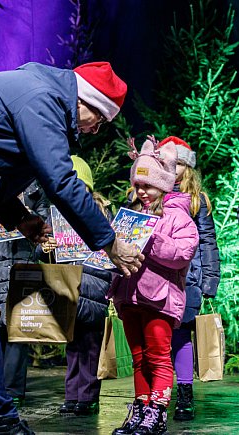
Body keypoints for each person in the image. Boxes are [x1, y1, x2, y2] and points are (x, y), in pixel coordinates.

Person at [0, 61, 144, 435]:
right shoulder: (42, 99)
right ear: (85, 101)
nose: (94, 130)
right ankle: (3, 421)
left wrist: (21, 216)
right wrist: (110, 242)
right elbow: (60, 179)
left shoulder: (35, 91)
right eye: (98, 120)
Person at [109, 138, 199, 435]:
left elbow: (182, 254)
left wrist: (152, 236)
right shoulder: (130, 214)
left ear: (163, 184)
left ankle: (157, 411)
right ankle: (140, 406)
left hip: (159, 298)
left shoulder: (178, 216)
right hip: (129, 295)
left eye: (147, 185)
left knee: (158, 356)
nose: (141, 192)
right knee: (138, 356)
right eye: (137, 185)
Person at [158, 136, 220, 421]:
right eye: (170, 162)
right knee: (157, 336)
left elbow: (207, 240)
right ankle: (156, 395)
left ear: (188, 167)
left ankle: (184, 395)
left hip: (187, 279)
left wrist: (210, 280)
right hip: (156, 275)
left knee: (182, 336)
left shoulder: (197, 200)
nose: (174, 167)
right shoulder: (150, 193)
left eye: (180, 163)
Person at [0, 180, 54, 409]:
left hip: (24, 264)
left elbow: (46, 228)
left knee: (19, 328)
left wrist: (38, 245)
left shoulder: (36, 191)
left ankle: (13, 391)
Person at [57, 156, 112, 416]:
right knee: (72, 344)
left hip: (93, 285)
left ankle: (87, 397)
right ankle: (71, 395)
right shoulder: (58, 213)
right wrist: (44, 247)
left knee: (90, 346)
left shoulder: (100, 210)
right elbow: (40, 251)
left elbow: (112, 247)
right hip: (67, 286)